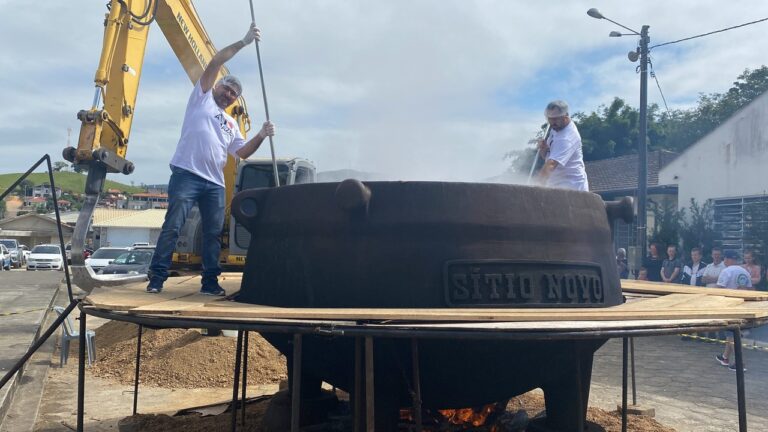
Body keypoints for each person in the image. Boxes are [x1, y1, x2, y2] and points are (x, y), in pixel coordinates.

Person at [147, 23, 275, 295]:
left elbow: (241, 153)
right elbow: (216, 59)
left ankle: (210, 283)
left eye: (234, 94)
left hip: (215, 183)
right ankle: (156, 279)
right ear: (217, 86)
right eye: (227, 88)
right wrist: (243, 41)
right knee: (173, 226)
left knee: (213, 235)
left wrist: (262, 135)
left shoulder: (231, 123)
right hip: (186, 174)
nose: (229, 95)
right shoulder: (201, 98)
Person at [536, 100, 589, 191]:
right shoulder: (556, 128)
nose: (552, 122)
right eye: (549, 118)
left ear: (565, 116)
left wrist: (534, 186)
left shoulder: (567, 138)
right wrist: (543, 149)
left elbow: (551, 165)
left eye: (555, 118)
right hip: (556, 186)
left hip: (572, 189)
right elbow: (547, 157)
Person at [714, 250, 753, 372]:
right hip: (742, 306)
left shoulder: (726, 271)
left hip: (729, 306)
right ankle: (725, 358)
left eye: (725, 258)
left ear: (729, 259)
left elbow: (720, 290)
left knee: (732, 336)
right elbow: (750, 289)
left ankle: (739, 363)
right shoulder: (745, 272)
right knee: (732, 333)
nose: (724, 261)